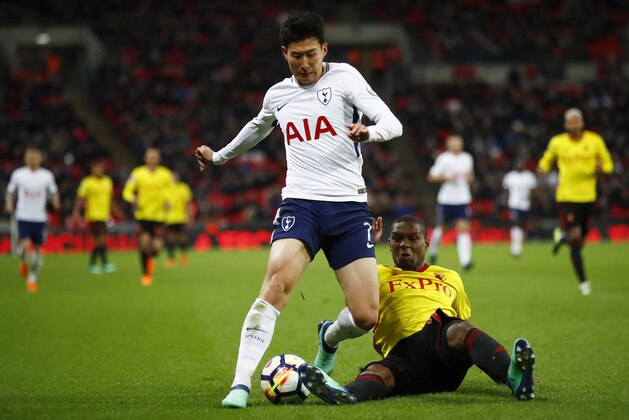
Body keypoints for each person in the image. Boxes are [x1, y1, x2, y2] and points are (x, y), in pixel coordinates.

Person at [194, 11, 403, 408]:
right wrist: (219, 156)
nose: (305, 64)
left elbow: (393, 123)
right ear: (284, 54)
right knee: (274, 286)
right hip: (301, 203)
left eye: (311, 54)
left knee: (365, 316)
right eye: (296, 57)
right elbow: (258, 126)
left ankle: (328, 337)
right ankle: (240, 382)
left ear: (324, 49)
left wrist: (369, 132)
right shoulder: (278, 94)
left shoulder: (346, 78)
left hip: (347, 207)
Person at [298, 215, 535, 404]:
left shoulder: (450, 277)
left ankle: (512, 374)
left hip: (447, 362)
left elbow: (465, 328)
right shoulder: (376, 273)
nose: (405, 245)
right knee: (380, 371)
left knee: (458, 328)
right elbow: (356, 298)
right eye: (398, 238)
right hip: (405, 357)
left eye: (413, 238)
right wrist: (365, 247)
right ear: (388, 243)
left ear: (427, 243)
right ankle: (346, 394)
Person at [537, 108, 613, 296]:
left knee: (579, 243)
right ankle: (583, 283)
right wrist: (542, 168)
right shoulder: (558, 142)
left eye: (576, 119)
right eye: (570, 121)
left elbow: (610, 165)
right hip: (567, 197)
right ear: (565, 124)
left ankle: (562, 237)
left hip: (588, 197)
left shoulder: (594, 141)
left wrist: (602, 167)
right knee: (576, 237)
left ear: (582, 122)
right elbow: (546, 161)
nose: (573, 123)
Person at [4, 145, 61, 293]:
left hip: (39, 218)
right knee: (24, 246)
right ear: (25, 158)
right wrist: (9, 204)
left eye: (35, 156)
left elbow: (53, 192)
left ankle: (32, 277)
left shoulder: (47, 176)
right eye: (29, 156)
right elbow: (10, 192)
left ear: (40, 158)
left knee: (37, 251)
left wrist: (56, 201)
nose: (32, 159)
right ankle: (23, 260)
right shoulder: (18, 174)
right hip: (23, 216)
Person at [122, 147, 173, 286]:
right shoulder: (137, 173)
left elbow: (171, 191)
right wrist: (133, 199)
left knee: (156, 247)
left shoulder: (166, 174)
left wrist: (169, 202)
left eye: (155, 156)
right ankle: (145, 274)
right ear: (145, 158)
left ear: (159, 159)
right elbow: (127, 191)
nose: (152, 158)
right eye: (150, 156)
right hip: (143, 215)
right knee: (145, 244)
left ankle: (151, 259)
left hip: (160, 216)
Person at [426, 134, 475, 270]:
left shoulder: (467, 158)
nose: (456, 145)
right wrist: (446, 177)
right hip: (447, 199)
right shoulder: (443, 159)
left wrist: (469, 178)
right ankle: (433, 251)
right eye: (453, 143)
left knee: (463, 227)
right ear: (448, 144)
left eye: (458, 142)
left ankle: (465, 261)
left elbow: (471, 176)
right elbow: (431, 177)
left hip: (463, 198)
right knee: (442, 228)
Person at [71, 159, 118, 274]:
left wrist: (116, 210)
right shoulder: (87, 182)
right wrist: (76, 212)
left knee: (100, 241)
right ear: (92, 169)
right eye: (96, 168)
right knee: (100, 240)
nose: (98, 170)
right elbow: (80, 198)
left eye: (100, 167)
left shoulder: (108, 181)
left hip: (104, 215)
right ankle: (101, 264)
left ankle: (97, 264)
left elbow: (110, 199)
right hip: (93, 215)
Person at [502, 158, 538, 257]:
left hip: (525, 205)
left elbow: (533, 191)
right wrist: (504, 202)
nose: (519, 166)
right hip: (514, 204)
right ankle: (515, 248)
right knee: (515, 224)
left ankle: (519, 246)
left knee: (522, 226)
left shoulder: (529, 176)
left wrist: (533, 202)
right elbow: (506, 191)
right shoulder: (510, 176)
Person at [164, 172, 193, 267]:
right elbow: (162, 204)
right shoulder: (165, 189)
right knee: (171, 238)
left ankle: (183, 256)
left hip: (181, 216)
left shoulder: (184, 188)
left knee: (182, 237)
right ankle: (171, 258)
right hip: (169, 218)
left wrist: (189, 216)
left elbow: (188, 204)